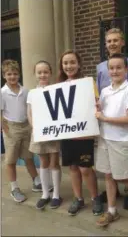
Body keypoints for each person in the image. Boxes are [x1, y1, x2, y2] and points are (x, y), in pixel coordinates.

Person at [95, 53, 128, 236]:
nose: (115, 71)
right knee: (109, 176)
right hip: (105, 139)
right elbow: (99, 111)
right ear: (107, 70)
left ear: (126, 69)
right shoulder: (105, 91)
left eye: (119, 67)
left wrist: (104, 117)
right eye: (111, 68)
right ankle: (111, 211)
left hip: (121, 140)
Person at [96, 28, 128, 209]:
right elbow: (100, 92)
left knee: (127, 158)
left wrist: (123, 116)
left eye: (116, 40)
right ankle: (112, 192)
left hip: (122, 119)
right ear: (106, 44)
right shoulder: (100, 67)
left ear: (122, 42)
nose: (112, 43)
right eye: (109, 41)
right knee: (108, 169)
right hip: (106, 122)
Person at [57, 50, 103, 216]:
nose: (69, 66)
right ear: (62, 66)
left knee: (85, 169)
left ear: (79, 64)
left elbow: (96, 102)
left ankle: (95, 197)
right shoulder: (58, 87)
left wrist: (98, 107)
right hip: (67, 134)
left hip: (84, 133)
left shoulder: (87, 83)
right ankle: (78, 198)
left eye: (72, 62)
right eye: (65, 63)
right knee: (73, 168)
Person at [1, 59, 42, 203]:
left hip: (25, 126)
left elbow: (29, 108)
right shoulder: (2, 93)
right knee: (11, 159)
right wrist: (4, 128)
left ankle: (37, 181)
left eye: (15, 74)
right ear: (4, 76)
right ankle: (14, 188)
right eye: (9, 74)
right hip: (11, 128)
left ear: (19, 74)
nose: (12, 76)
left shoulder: (25, 91)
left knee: (28, 156)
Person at [27, 60, 62, 210]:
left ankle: (56, 194)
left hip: (53, 132)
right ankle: (45, 194)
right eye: (39, 72)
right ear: (35, 74)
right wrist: (35, 127)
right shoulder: (32, 93)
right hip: (39, 132)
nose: (42, 75)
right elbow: (29, 112)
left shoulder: (56, 90)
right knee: (43, 163)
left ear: (50, 73)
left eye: (45, 72)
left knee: (54, 163)